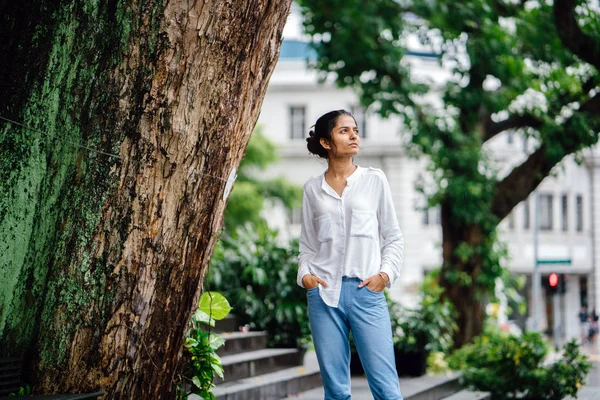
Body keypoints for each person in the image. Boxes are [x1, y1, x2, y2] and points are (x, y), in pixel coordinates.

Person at [297, 110, 404, 400]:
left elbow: (393, 237)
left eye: (355, 130)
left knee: (386, 390)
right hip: (323, 295)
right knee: (335, 392)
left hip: (366, 292)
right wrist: (305, 276)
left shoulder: (374, 180)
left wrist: (385, 275)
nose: (354, 135)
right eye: (344, 131)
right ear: (326, 142)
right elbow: (307, 245)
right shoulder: (312, 189)